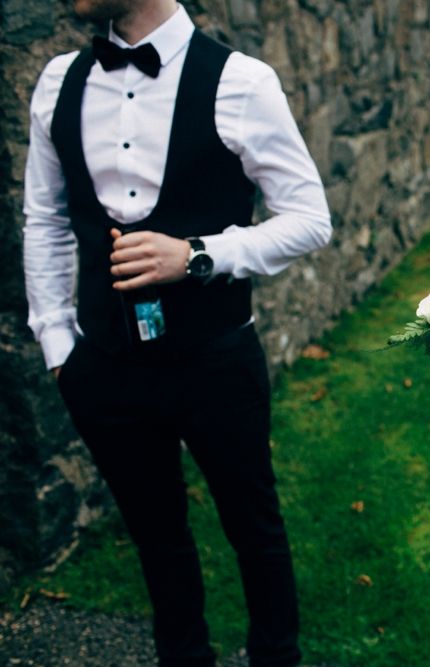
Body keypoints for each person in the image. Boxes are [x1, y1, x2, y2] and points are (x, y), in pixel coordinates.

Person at [23, 0, 331, 664]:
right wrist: (58, 346)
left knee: (254, 529)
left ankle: (275, 655)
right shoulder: (57, 82)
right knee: (156, 538)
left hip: (214, 359)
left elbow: (309, 217)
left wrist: (196, 253)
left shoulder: (240, 81)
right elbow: (43, 221)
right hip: (102, 366)